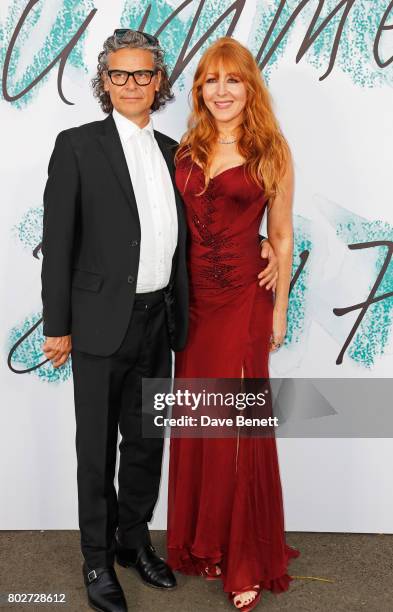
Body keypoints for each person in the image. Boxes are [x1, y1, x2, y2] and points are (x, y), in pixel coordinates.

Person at [40, 30, 278, 612]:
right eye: (118, 75)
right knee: (95, 449)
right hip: (98, 325)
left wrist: (264, 242)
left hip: (163, 321)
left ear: (159, 83)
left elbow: (210, 221)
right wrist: (57, 325)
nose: (131, 85)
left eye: (142, 74)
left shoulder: (180, 151)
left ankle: (132, 542)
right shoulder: (76, 145)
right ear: (104, 82)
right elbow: (59, 242)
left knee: (146, 444)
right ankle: (96, 562)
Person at [167, 37, 299, 611]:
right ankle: (210, 541)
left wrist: (281, 306)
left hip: (246, 300)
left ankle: (244, 558)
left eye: (232, 80)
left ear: (249, 87)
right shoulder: (185, 148)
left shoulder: (272, 149)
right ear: (200, 89)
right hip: (192, 306)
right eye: (210, 81)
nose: (220, 91)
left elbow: (284, 235)